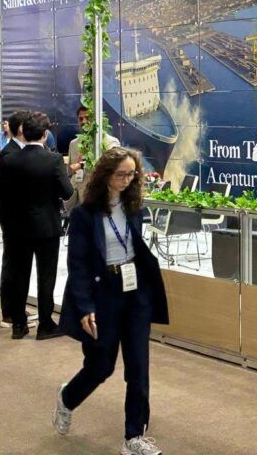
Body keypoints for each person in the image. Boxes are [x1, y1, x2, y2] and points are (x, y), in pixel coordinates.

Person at [54, 147, 168, 455]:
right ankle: (67, 398)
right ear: (105, 175)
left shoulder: (134, 207)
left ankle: (134, 436)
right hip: (102, 292)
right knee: (100, 366)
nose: (127, 180)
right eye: (121, 174)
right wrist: (84, 306)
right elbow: (77, 264)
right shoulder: (84, 214)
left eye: (132, 174)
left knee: (138, 367)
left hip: (135, 291)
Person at [0, 111, 72, 340]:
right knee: (46, 276)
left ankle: (19, 325)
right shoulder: (54, 160)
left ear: (23, 133)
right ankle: (45, 324)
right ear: (45, 134)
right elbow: (67, 192)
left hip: (15, 227)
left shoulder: (9, 159)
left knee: (19, 274)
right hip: (46, 226)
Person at [0, 110, 34, 329]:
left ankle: (17, 308)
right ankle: (9, 312)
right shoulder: (9, 154)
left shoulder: (21, 151)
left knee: (21, 265)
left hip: (23, 217)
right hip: (13, 217)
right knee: (12, 264)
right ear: (21, 129)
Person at [68, 105, 120, 206]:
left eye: (88, 118)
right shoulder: (73, 144)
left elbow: (109, 167)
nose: (83, 121)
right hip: (80, 200)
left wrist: (81, 165)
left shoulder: (110, 142)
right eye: (80, 119)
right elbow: (71, 172)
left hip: (102, 198)